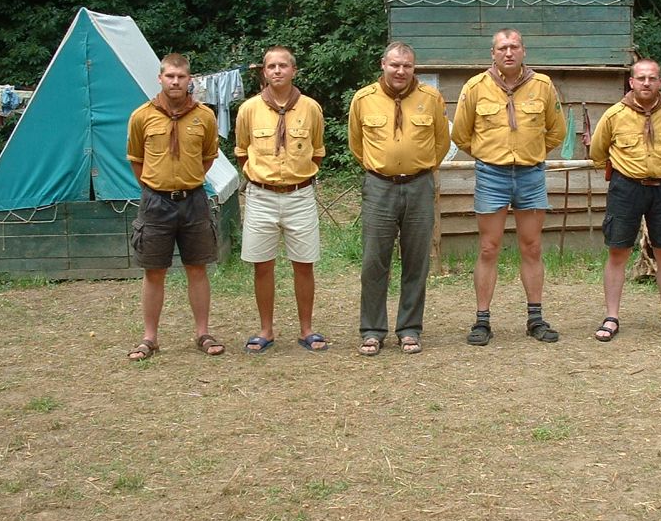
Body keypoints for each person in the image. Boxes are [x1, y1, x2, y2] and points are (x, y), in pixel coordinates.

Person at [451, 28, 567, 345]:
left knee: (532, 246)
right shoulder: (475, 87)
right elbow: (461, 134)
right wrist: (488, 155)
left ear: (523, 51)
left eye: (514, 46)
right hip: (492, 175)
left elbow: (557, 131)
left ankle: (535, 318)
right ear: (493, 53)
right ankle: (482, 321)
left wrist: (534, 152)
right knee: (489, 248)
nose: (508, 52)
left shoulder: (543, 86)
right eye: (502, 47)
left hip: (531, 174)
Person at [348, 42, 450, 356]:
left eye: (407, 65)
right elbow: (356, 144)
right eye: (395, 65)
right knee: (373, 261)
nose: (401, 71)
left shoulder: (431, 98)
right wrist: (383, 167)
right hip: (379, 187)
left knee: (416, 260)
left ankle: (409, 329)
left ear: (414, 67)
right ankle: (372, 330)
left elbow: (441, 143)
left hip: (419, 186)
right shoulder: (363, 99)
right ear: (383, 64)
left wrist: (418, 167)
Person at [588, 58, 661, 341]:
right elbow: (598, 152)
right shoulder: (614, 115)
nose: (646, 83)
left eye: (652, 78)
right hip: (626, 188)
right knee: (618, 251)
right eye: (641, 78)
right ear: (631, 82)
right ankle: (611, 317)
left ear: (660, 82)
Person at [126, 52, 224, 360]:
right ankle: (149, 338)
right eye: (170, 76)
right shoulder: (141, 116)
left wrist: (186, 180)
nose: (175, 81)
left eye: (181, 76)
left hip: (194, 200)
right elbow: (136, 159)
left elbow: (208, 156)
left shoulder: (204, 117)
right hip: (155, 202)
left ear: (189, 79)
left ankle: (203, 333)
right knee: (154, 271)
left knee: (197, 267)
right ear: (160, 78)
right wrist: (158, 185)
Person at [234, 46, 329, 353]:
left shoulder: (311, 108)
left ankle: (307, 329)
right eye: (271, 66)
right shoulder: (249, 109)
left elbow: (317, 150)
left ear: (293, 70)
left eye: (283, 65)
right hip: (261, 196)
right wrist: (258, 177)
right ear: (264, 72)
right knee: (262, 265)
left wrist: (299, 177)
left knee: (304, 264)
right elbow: (241, 150)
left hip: (299, 195)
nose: (277, 70)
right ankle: (266, 329)